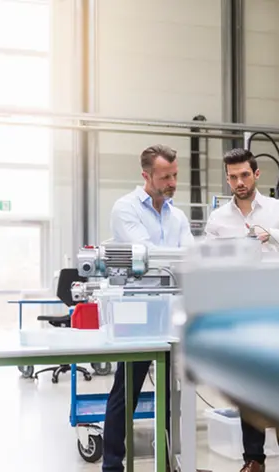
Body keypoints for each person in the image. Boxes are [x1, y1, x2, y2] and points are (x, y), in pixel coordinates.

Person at [204, 148, 279, 472]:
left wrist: (272, 235)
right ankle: (253, 460)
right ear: (227, 178)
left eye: (244, 175)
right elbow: (207, 263)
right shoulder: (218, 220)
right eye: (233, 177)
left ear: (256, 174)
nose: (239, 182)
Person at [102, 144, 194, 472]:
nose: (172, 182)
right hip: (137, 309)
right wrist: (170, 260)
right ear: (146, 175)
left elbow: (189, 258)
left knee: (172, 393)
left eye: (175, 175)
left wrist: (171, 261)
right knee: (126, 390)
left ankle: (168, 460)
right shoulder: (125, 209)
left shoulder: (178, 215)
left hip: (171, 308)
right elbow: (148, 257)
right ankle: (112, 464)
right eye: (165, 176)